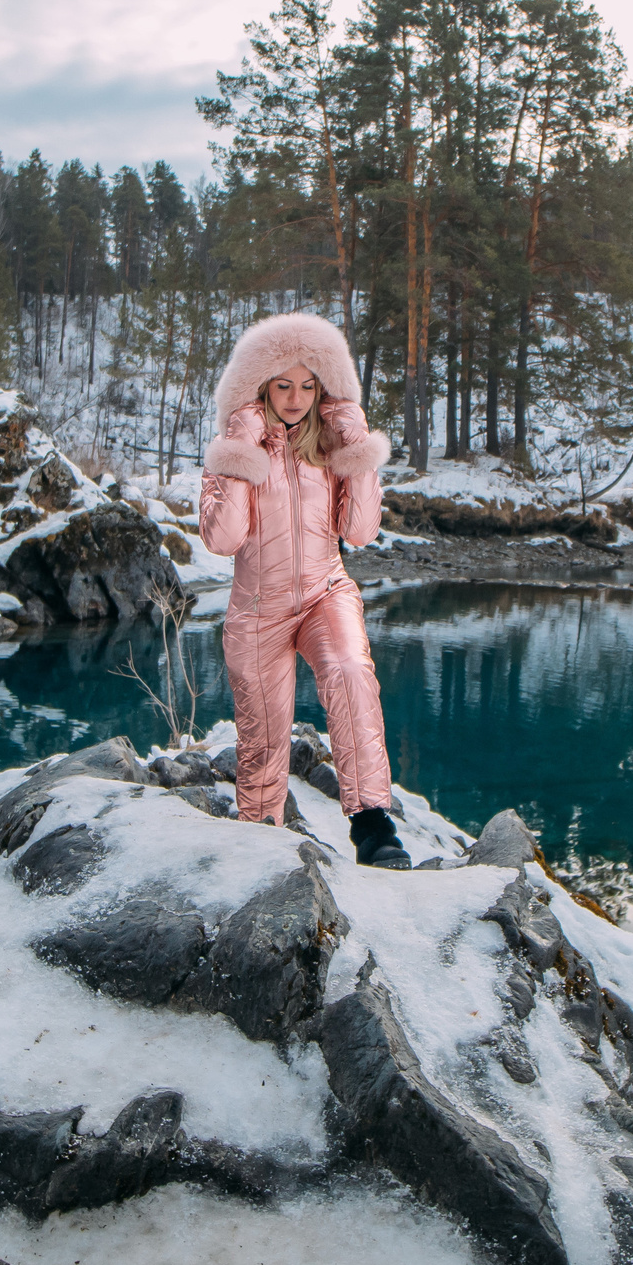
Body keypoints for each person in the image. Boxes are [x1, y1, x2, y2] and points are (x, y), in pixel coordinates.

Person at [198, 313, 410, 868]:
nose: (295, 399)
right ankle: (262, 835)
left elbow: (359, 532)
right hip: (257, 608)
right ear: (261, 387)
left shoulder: (332, 446)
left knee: (350, 670)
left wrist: (357, 447)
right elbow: (222, 539)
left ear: (324, 389)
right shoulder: (231, 449)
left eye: (308, 386)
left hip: (324, 592)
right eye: (283, 385)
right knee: (263, 740)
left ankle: (373, 826)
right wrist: (241, 451)